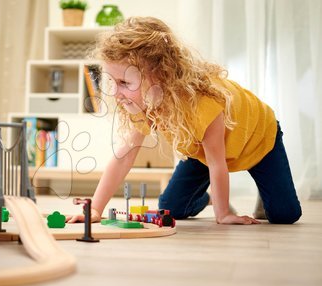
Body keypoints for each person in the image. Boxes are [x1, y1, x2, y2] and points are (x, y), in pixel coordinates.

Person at [67, 16, 302, 225]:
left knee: (285, 215)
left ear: (159, 75)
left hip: (257, 139)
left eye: (124, 83)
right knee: (172, 208)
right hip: (202, 149)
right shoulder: (143, 103)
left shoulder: (203, 104)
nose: (116, 93)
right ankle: (207, 198)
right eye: (113, 82)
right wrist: (95, 209)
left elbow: (218, 162)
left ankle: (265, 191)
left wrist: (223, 215)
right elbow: (124, 156)